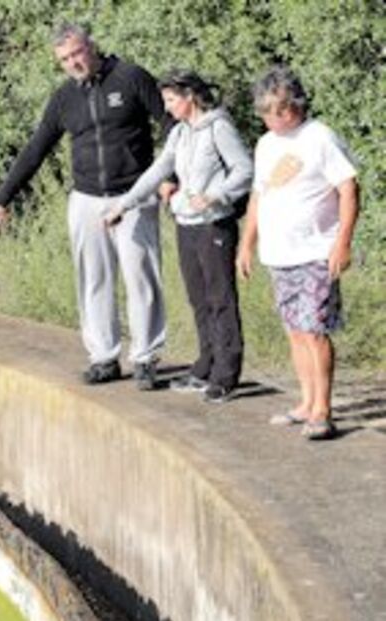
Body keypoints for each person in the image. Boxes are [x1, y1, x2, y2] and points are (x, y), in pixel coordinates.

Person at [0, 21, 170, 390]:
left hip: (133, 195)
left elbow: (170, 122)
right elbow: (36, 149)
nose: (73, 63)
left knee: (141, 277)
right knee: (93, 280)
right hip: (87, 199)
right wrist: (1, 200)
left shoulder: (131, 77)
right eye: (65, 59)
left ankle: (145, 358)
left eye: (77, 53)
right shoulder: (64, 98)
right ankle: (104, 357)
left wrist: (167, 176)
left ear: (92, 47)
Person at [104, 70, 252, 403]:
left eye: (171, 100)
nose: (167, 108)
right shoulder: (180, 133)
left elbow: (244, 169)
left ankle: (226, 373)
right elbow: (158, 170)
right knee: (199, 299)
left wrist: (218, 196)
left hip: (215, 224)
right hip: (186, 224)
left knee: (220, 298)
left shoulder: (218, 127)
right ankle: (207, 363)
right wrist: (123, 205)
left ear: (190, 97)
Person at [236, 66, 360, 440]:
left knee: (314, 329)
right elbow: (259, 195)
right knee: (294, 330)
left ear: (295, 106)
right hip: (279, 254)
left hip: (314, 252)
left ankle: (323, 408)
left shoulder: (319, 137)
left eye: (279, 111)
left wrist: (342, 242)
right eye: (267, 112)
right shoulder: (266, 144)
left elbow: (349, 189)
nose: (273, 119)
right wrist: (247, 242)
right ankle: (305, 402)